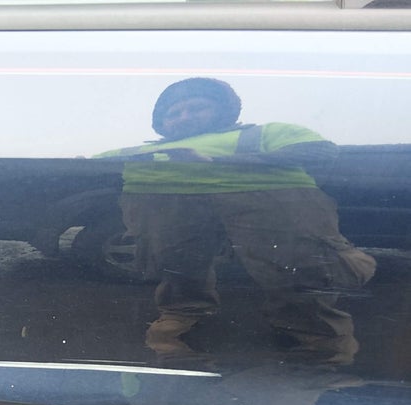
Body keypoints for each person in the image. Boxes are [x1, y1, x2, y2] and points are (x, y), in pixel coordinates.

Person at [99, 78, 376, 365]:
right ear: (161, 123)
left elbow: (319, 151)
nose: (184, 117)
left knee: (296, 271)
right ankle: (180, 325)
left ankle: (320, 348)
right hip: (164, 204)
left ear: (224, 110)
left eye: (197, 108)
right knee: (175, 267)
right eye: (174, 113)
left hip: (268, 199)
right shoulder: (136, 150)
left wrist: (216, 161)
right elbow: (85, 166)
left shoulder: (265, 133)